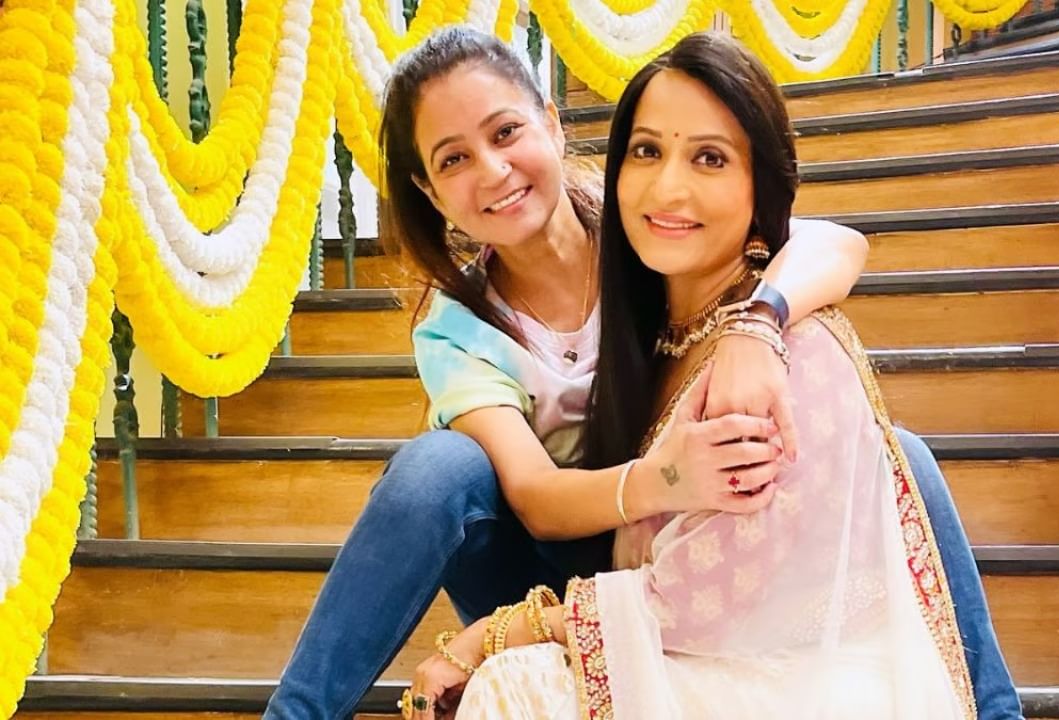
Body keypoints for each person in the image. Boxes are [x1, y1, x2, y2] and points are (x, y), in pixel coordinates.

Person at [262, 27, 1020, 720]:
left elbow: (833, 243)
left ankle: (992, 708)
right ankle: (297, 713)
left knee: (899, 453)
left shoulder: (642, 225)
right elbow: (536, 500)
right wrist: (665, 478)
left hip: (679, 543)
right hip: (553, 557)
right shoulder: (457, 326)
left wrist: (759, 324)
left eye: (506, 132)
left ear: (552, 124)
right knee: (438, 467)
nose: (492, 171)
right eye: (453, 160)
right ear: (430, 191)